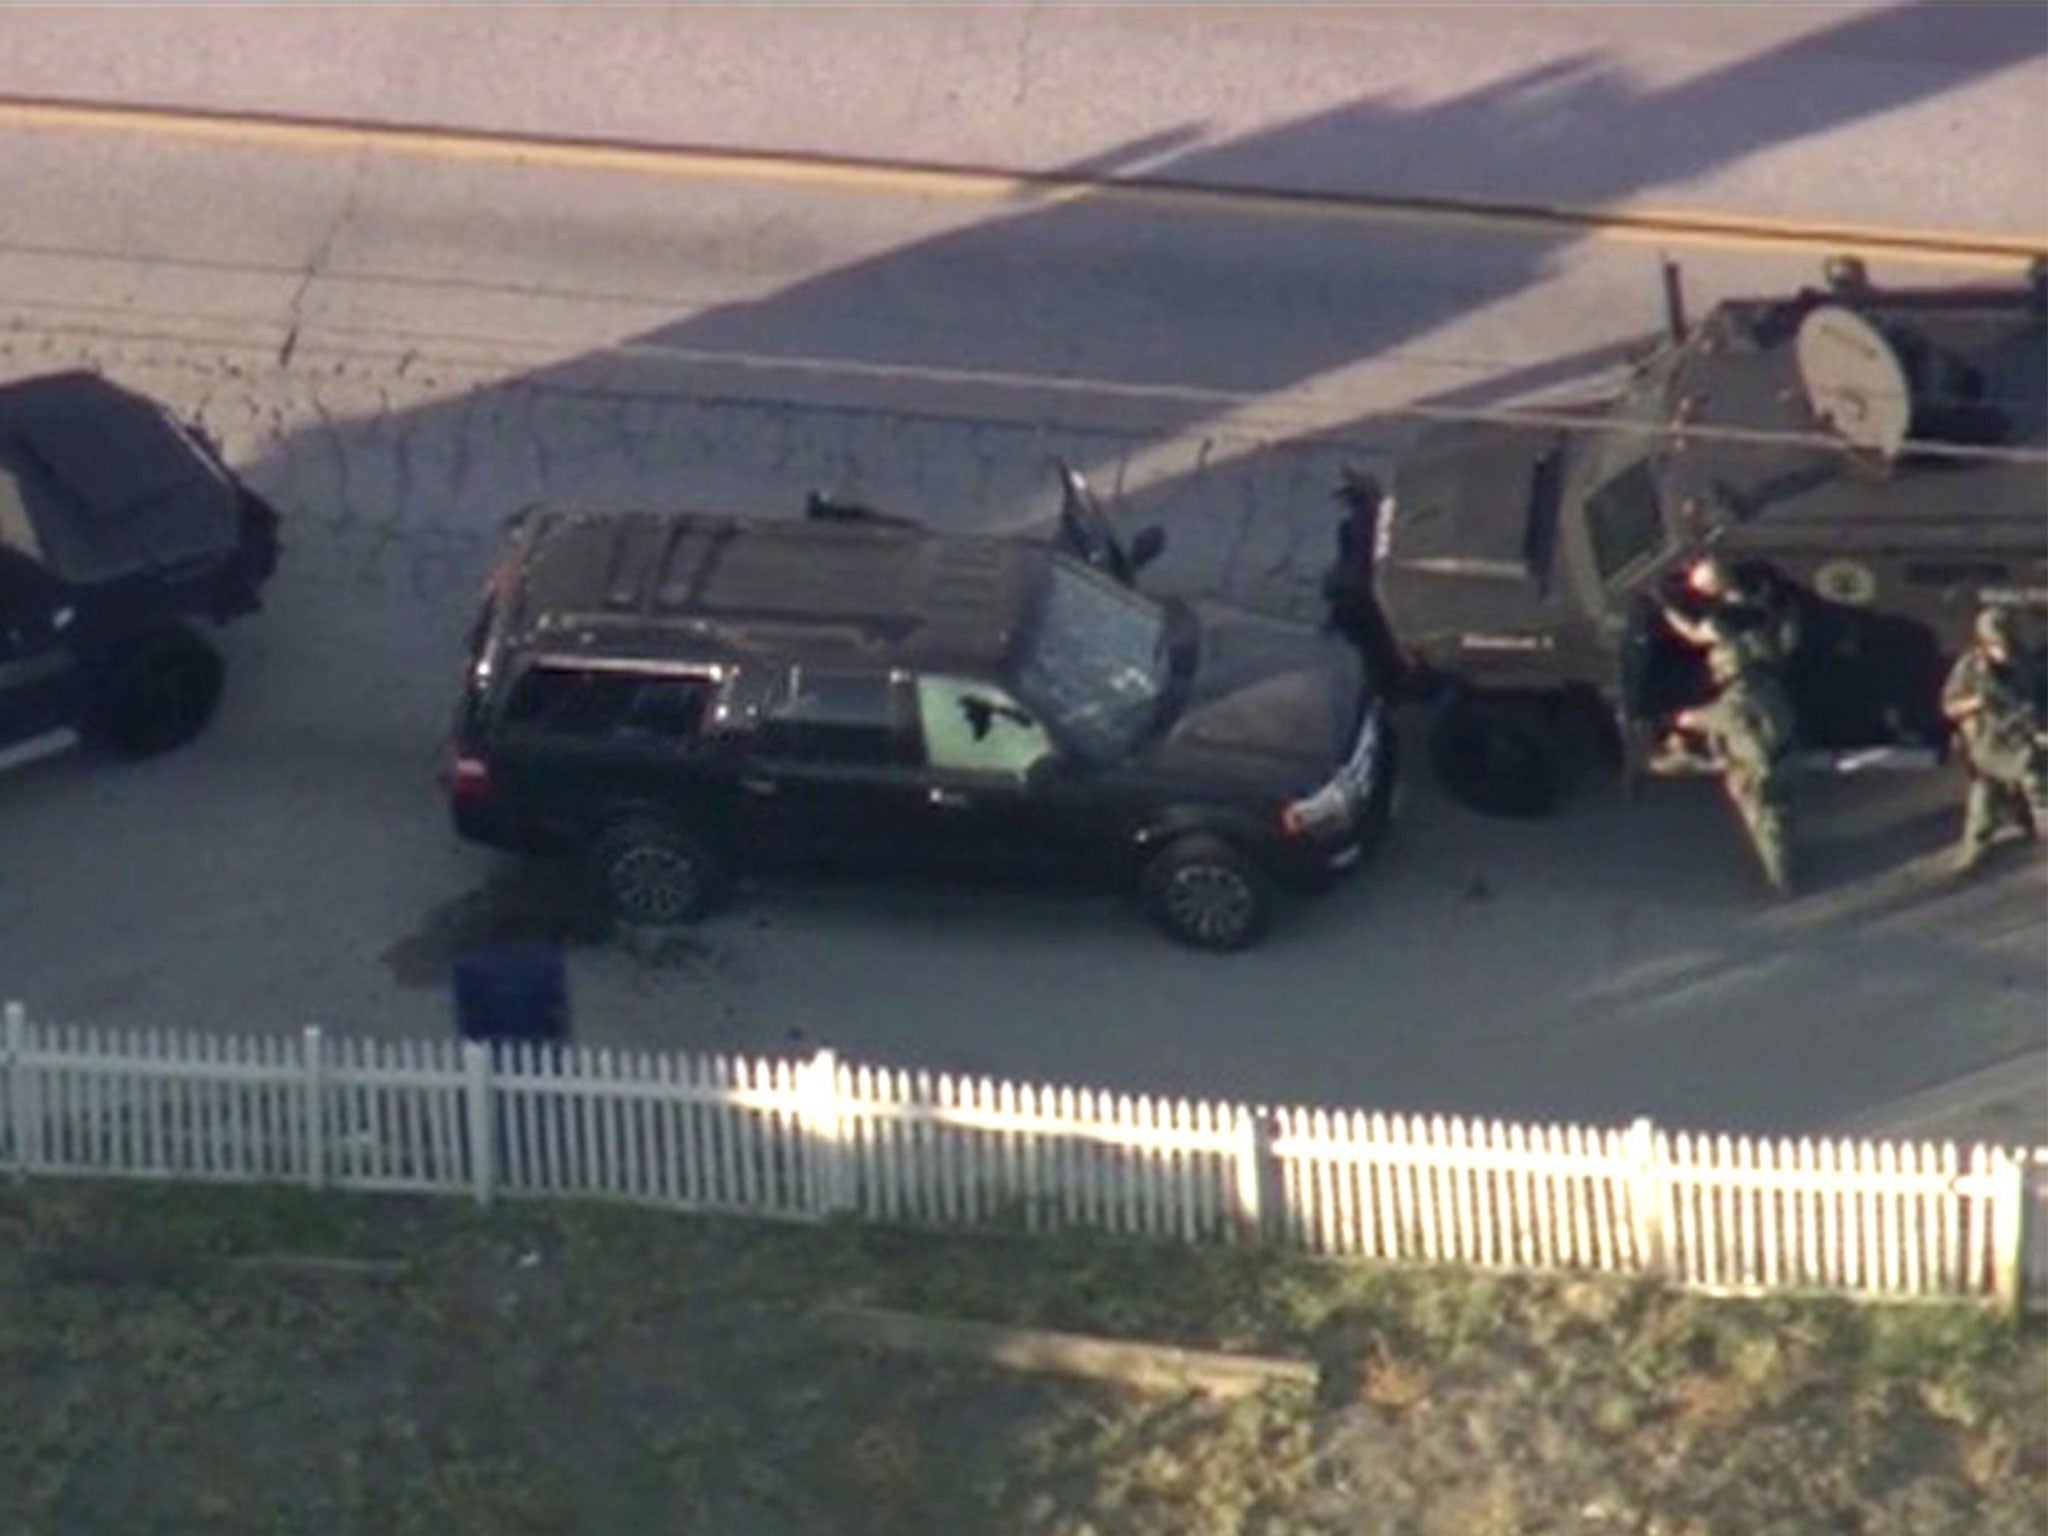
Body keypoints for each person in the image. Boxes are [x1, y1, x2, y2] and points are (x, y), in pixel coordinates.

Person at [1653, 556, 1799, 894]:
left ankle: (1782, 880)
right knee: (1781, 805)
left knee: (1765, 816)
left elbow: (1693, 634)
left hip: (1756, 751)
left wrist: (1665, 607)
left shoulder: (1725, 624)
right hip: (1778, 720)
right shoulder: (1761, 603)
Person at [1940, 604, 2047, 873]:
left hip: (2024, 742)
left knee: (2039, 792)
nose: (2004, 651)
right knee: (1984, 803)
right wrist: (1977, 702)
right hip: (1987, 745)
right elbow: (1950, 706)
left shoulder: (2028, 663)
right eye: (1997, 644)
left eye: (2007, 643)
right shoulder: (1970, 668)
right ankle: (1973, 853)